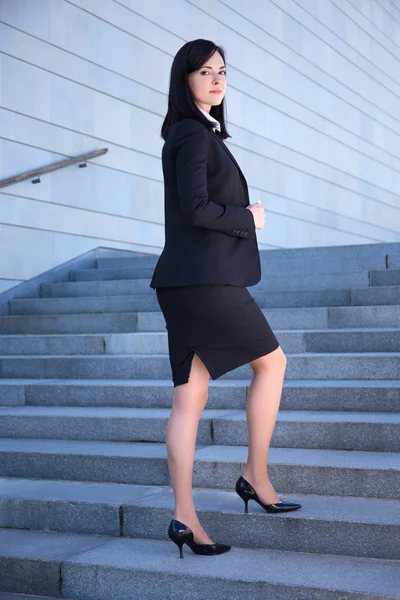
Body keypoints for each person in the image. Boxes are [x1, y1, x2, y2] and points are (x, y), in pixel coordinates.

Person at [149, 39, 301, 559]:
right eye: (204, 72)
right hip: (205, 283)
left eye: (222, 72)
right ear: (184, 79)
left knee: (189, 397)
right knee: (273, 364)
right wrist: (249, 219)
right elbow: (196, 208)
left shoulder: (185, 132)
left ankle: (184, 516)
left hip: (180, 283)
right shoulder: (193, 134)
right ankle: (255, 475)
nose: (216, 80)